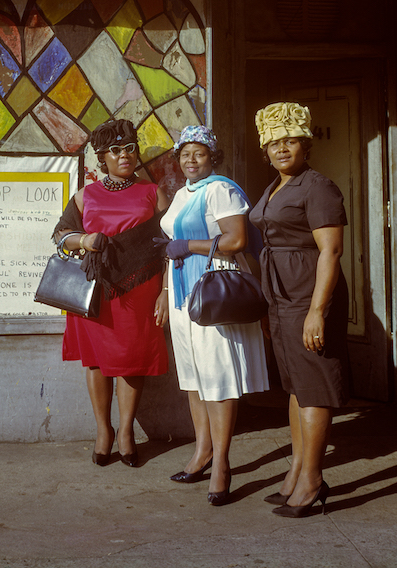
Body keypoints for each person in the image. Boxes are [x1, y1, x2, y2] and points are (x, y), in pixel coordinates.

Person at [156, 125, 269, 506]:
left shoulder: (221, 189)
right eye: (185, 153)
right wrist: (163, 291)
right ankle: (202, 451)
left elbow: (235, 240)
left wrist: (188, 244)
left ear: (212, 158)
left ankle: (222, 462)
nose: (191, 159)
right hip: (181, 294)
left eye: (199, 153)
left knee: (217, 379)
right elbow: (169, 248)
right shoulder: (181, 194)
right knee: (193, 379)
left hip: (213, 292)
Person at [249, 101, 350, 518]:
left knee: (313, 388)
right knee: (293, 386)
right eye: (274, 142)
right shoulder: (274, 187)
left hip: (308, 295)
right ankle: (296, 470)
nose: (281, 149)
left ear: (305, 144)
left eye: (290, 140)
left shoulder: (317, 186)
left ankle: (312, 480)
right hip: (281, 297)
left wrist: (317, 312)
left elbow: (332, 251)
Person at [54, 119, 169, 467]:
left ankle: (126, 433)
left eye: (130, 148)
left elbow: (167, 245)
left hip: (140, 291)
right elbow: (61, 235)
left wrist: (165, 290)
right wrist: (84, 239)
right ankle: (103, 430)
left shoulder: (153, 193)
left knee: (132, 362)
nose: (125, 156)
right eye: (116, 150)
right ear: (103, 157)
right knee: (96, 362)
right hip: (96, 290)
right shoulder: (84, 195)